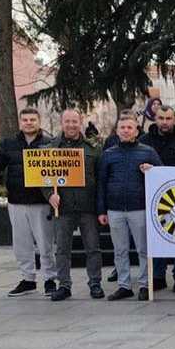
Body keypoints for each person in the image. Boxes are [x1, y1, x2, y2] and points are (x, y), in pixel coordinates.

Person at [0, 107, 56, 297]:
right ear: (20, 122)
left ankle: (50, 279)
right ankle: (28, 279)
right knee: (21, 244)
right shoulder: (9, 144)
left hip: (41, 202)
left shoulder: (49, 143)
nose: (29, 123)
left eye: (32, 119)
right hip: (16, 201)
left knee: (45, 244)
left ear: (39, 121)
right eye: (25, 120)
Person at [97, 115, 162, 301]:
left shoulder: (148, 152)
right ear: (117, 131)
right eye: (122, 127)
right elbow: (101, 183)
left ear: (136, 131)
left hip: (139, 207)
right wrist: (101, 210)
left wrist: (152, 170)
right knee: (120, 250)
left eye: (129, 127)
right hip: (115, 209)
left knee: (143, 249)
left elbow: (162, 175)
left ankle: (144, 284)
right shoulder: (108, 154)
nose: (126, 130)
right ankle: (124, 285)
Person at [47, 109, 104, 301]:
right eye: (67, 121)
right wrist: (49, 196)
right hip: (62, 209)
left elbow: (100, 179)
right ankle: (64, 285)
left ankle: (95, 283)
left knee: (93, 248)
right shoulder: (50, 149)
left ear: (80, 123)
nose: (71, 125)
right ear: (61, 123)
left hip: (87, 207)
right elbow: (42, 178)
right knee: (62, 249)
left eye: (74, 121)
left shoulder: (92, 149)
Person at [140, 105, 175, 293]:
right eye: (161, 118)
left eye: (168, 118)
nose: (165, 122)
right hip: (153, 199)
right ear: (155, 119)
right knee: (157, 238)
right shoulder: (144, 142)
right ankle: (157, 276)